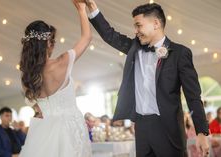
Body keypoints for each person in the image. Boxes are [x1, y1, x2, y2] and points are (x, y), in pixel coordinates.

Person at [85, 0, 209, 156]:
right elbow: (110, 35)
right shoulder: (134, 49)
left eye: (139, 25)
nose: (135, 30)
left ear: (156, 23)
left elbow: (193, 96)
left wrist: (202, 132)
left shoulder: (180, 53)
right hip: (142, 128)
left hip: (168, 130)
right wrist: (92, 8)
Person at [19, 0, 92, 156]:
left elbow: (37, 109)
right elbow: (86, 37)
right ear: (48, 43)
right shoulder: (62, 62)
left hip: (41, 133)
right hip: (70, 131)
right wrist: (81, 9)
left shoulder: (27, 76)